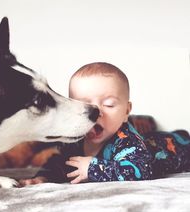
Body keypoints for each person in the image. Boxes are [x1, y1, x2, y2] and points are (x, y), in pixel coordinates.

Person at [19, 62, 190, 186]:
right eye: (84, 106)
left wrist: (93, 168)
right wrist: (43, 177)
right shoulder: (75, 139)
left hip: (179, 148)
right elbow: (60, 163)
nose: (97, 112)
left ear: (126, 112)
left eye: (108, 104)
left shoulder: (126, 140)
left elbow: (139, 170)